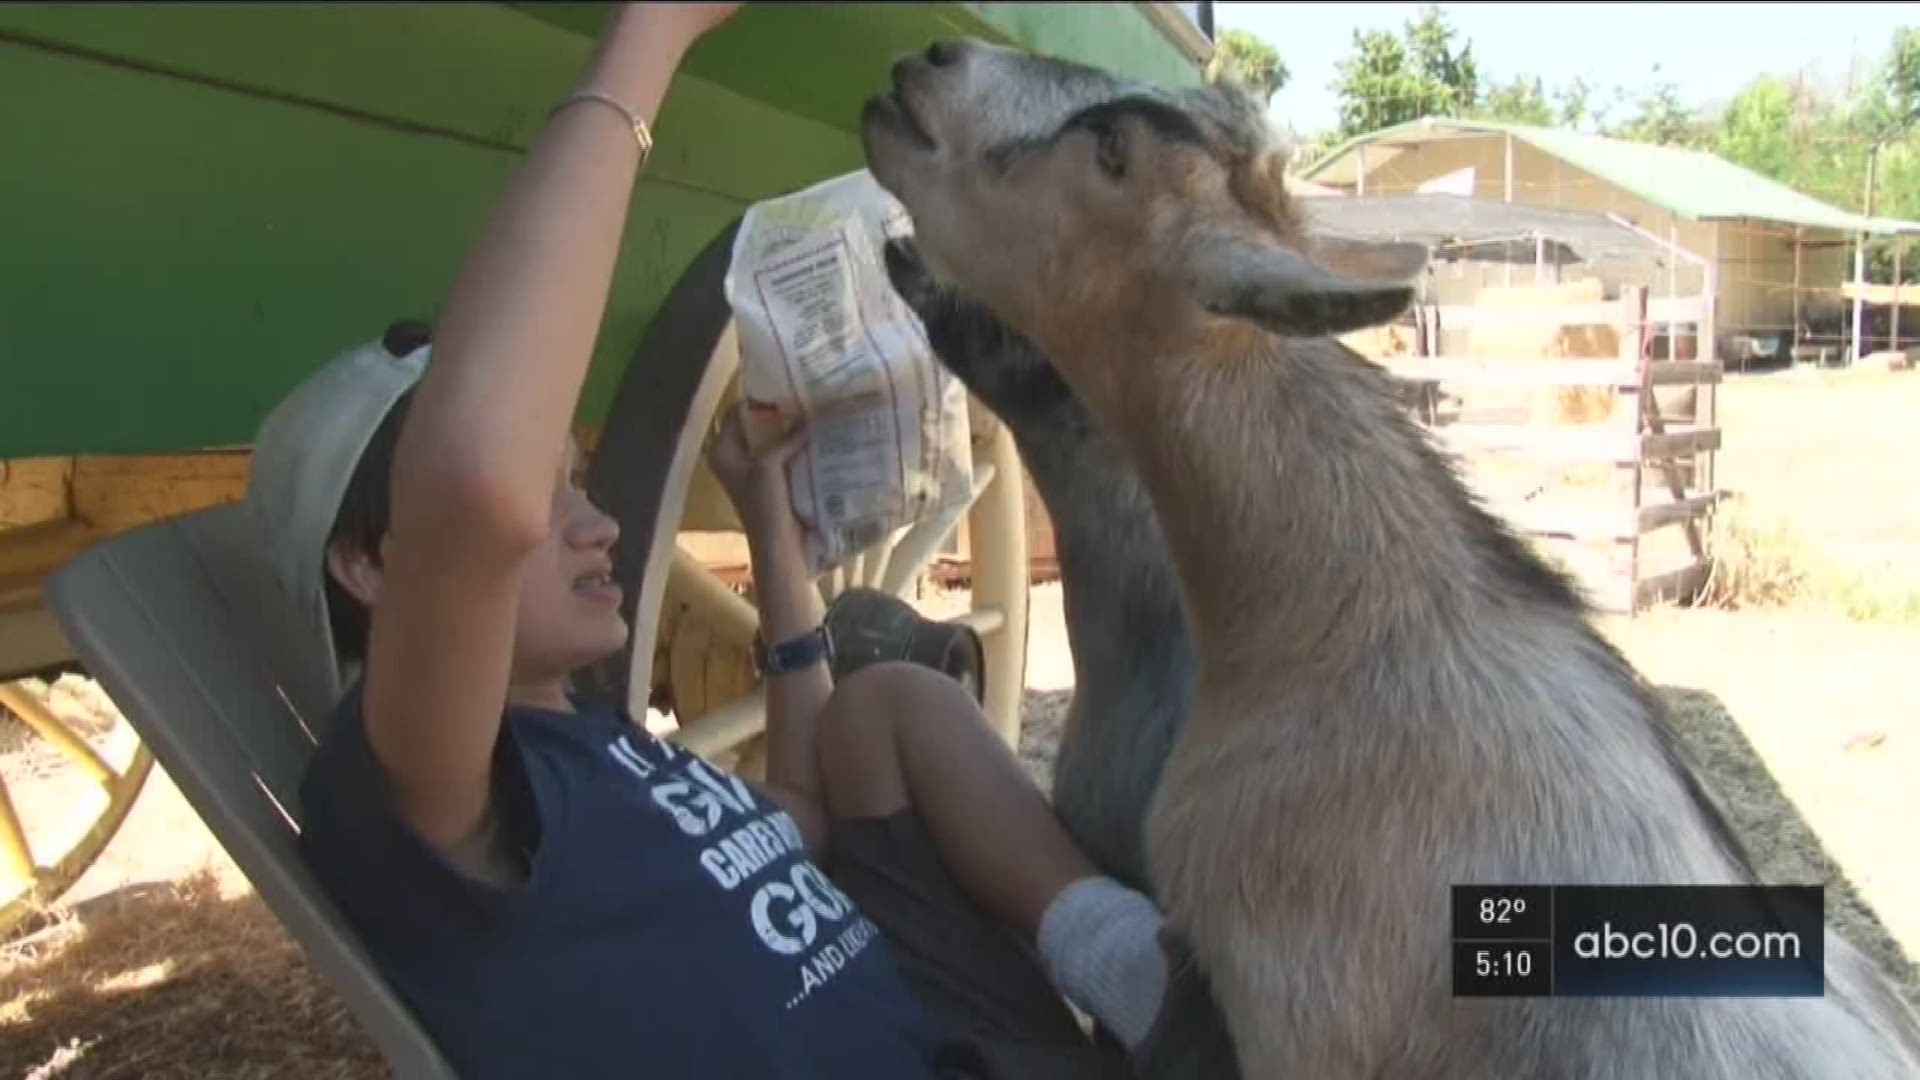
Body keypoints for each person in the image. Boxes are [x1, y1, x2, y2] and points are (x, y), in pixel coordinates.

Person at [255, 5, 1175, 1079]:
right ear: (370, 565)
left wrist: (768, 531)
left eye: (577, 484)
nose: (594, 523)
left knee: (888, 706)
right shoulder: (430, 784)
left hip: (952, 1030)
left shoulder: (596, 743)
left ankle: (1136, 976)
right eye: (546, 503)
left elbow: (790, 816)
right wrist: (650, 37)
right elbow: (473, 492)